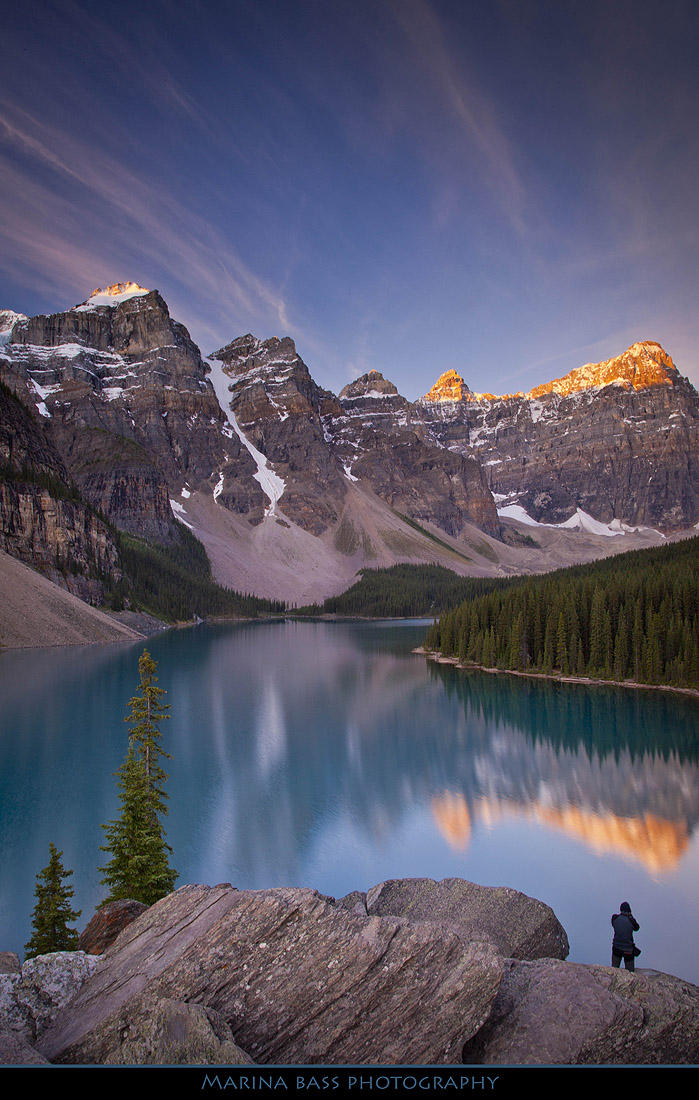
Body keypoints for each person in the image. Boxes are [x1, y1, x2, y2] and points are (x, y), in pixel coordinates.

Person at [611, 901, 640, 970]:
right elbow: (637, 928)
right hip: (628, 950)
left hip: (616, 947)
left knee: (614, 969)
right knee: (630, 972)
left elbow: (613, 924)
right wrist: (630, 916)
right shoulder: (631, 920)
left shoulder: (614, 918)